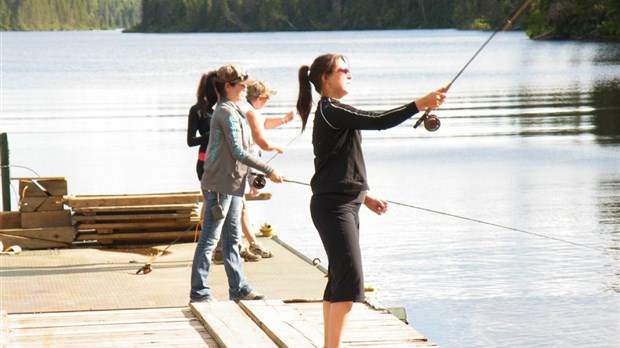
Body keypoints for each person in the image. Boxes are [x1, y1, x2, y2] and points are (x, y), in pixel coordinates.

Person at [296, 54, 446, 348]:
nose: (350, 74)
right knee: (349, 284)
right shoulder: (330, 110)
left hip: (344, 203)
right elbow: (378, 121)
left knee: (338, 281)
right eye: (343, 70)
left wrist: (363, 196)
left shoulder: (334, 112)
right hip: (333, 207)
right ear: (326, 78)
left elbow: (343, 164)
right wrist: (420, 103)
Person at [190, 64, 284, 303]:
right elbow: (238, 152)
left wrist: (254, 176)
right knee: (210, 240)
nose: (245, 88)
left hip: (232, 185)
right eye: (240, 84)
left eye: (245, 84)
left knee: (233, 239)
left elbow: (243, 153)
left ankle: (239, 288)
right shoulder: (225, 112)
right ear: (227, 86)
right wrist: (269, 169)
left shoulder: (235, 110)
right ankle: (199, 293)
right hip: (219, 187)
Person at [237, 80, 296, 259]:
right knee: (240, 206)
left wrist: (285, 119)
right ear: (260, 97)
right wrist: (276, 147)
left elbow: (265, 123)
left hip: (248, 164)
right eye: (268, 98)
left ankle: (244, 243)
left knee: (240, 206)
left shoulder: (246, 109)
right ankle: (244, 244)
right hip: (244, 163)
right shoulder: (249, 112)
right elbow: (261, 141)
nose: (268, 101)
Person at [187, 71, 218, 180]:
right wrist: (211, 135)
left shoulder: (220, 109)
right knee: (212, 197)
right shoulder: (197, 110)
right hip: (205, 162)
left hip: (222, 163)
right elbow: (190, 141)